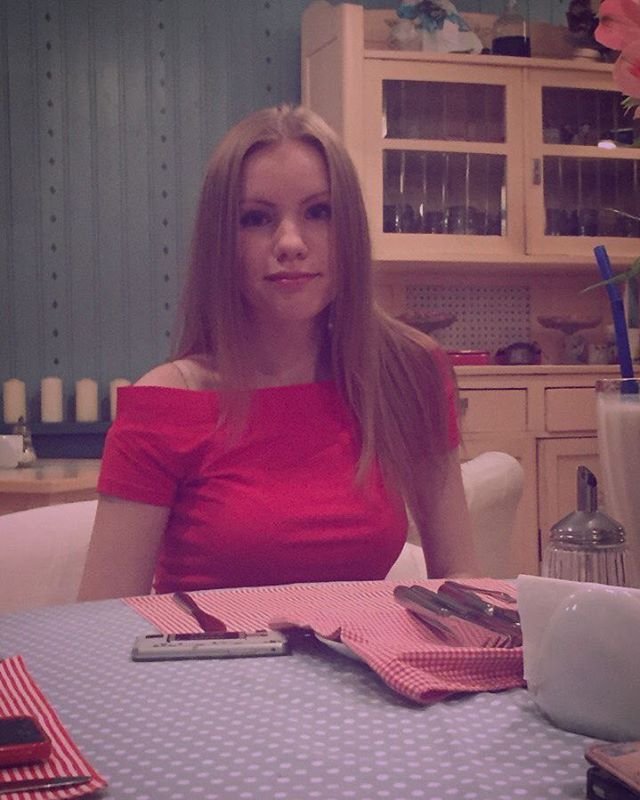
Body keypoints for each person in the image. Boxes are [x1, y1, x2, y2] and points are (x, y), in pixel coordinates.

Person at [79, 104, 477, 600]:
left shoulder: (409, 371)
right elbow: (102, 614)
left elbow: (459, 574)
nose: (290, 242)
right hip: (203, 652)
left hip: (364, 652)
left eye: (319, 212)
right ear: (221, 243)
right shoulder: (166, 404)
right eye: (256, 218)